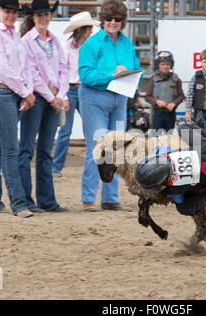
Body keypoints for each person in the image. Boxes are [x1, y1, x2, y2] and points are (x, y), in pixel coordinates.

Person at [78, 0, 141, 212]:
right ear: (102, 20)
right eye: (109, 18)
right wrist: (112, 74)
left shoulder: (127, 44)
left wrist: (129, 72)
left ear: (123, 21)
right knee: (97, 148)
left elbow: (136, 68)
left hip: (120, 98)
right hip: (94, 98)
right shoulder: (91, 44)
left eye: (118, 19)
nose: (113, 22)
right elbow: (85, 75)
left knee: (118, 149)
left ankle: (110, 198)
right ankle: (88, 198)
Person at [0, 0, 35, 218]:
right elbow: (2, 69)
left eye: (14, 12)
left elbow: (23, 66)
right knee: (11, 149)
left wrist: (25, 91)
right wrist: (25, 92)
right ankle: (19, 203)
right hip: (1, 92)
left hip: (9, 93)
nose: (11, 15)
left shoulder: (14, 36)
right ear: (0, 12)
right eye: (8, 11)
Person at [18, 0, 70, 212]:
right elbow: (31, 73)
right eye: (38, 15)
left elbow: (64, 69)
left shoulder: (55, 41)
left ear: (50, 16)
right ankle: (27, 201)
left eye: (46, 14)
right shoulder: (26, 41)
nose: (42, 18)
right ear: (32, 17)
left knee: (45, 151)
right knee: (27, 149)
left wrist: (61, 94)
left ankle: (47, 201)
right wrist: (52, 98)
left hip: (53, 98)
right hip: (38, 97)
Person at [134, 123, 206, 216]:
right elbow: (158, 148)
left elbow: (179, 199)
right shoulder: (166, 157)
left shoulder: (173, 189)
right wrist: (154, 139)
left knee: (184, 208)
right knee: (183, 128)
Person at [51, 12, 101, 178]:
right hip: (71, 90)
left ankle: (93, 166)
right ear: (82, 30)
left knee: (92, 130)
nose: (90, 32)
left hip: (86, 89)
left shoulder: (90, 47)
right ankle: (55, 168)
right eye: (88, 29)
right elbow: (62, 73)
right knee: (65, 131)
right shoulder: (66, 47)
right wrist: (63, 96)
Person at [145, 51, 185, 133]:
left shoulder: (176, 79)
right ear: (158, 65)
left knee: (169, 136)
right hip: (157, 113)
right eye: (163, 64)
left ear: (171, 65)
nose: (165, 66)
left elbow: (181, 96)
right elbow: (147, 96)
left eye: (168, 64)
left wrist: (174, 103)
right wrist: (156, 101)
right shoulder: (154, 79)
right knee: (156, 136)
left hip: (171, 113)